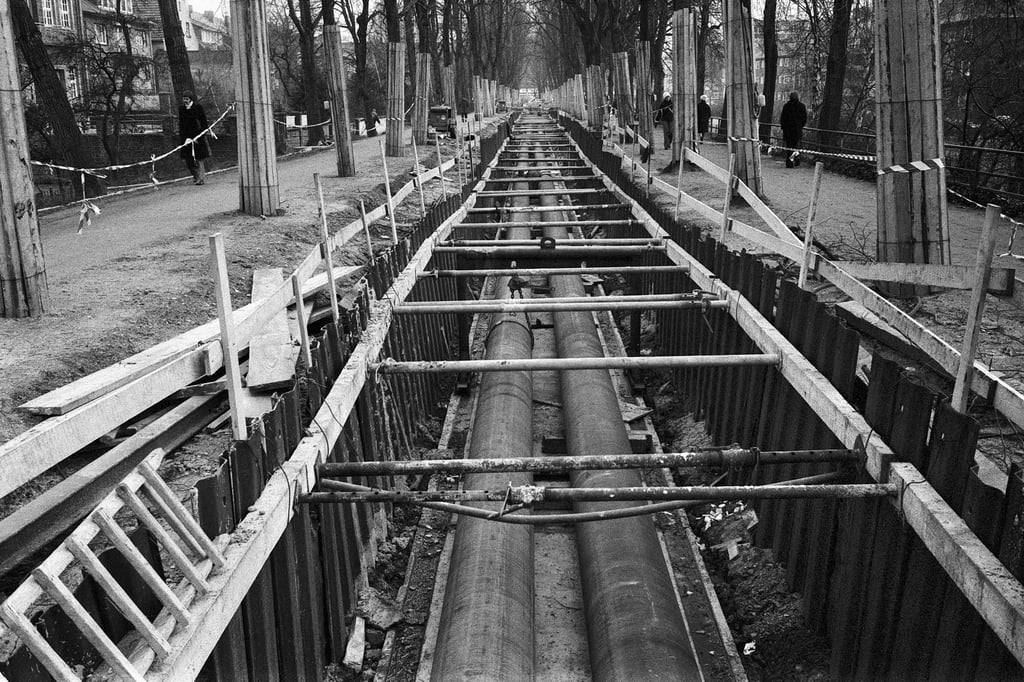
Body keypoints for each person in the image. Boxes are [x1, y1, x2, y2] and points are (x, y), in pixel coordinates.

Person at [178, 91, 216, 185]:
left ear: (190, 99)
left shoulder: (198, 108)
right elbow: (181, 124)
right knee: (188, 159)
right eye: (184, 99)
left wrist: (198, 137)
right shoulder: (182, 109)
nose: (185, 101)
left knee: (199, 158)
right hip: (186, 138)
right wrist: (184, 138)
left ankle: (201, 178)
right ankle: (195, 176)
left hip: (197, 137)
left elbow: (204, 123)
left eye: (187, 99)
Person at [780, 91, 808, 168]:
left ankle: (789, 162)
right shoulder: (802, 106)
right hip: (797, 130)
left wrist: (784, 127)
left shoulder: (786, 106)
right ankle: (796, 160)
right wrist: (800, 126)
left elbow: (783, 118)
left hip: (788, 130)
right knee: (796, 146)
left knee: (789, 146)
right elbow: (804, 118)